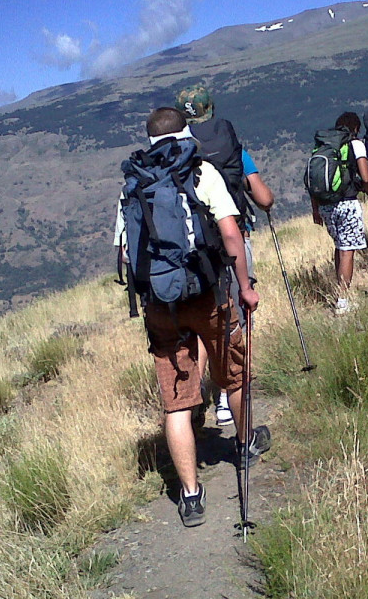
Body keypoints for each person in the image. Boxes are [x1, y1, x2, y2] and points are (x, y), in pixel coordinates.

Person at [114, 107, 268, 527]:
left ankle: (191, 494)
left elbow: (127, 254)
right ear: (185, 133)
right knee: (232, 375)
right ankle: (245, 442)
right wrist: (245, 286)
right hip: (208, 293)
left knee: (176, 402)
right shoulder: (199, 171)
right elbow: (231, 232)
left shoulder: (134, 182)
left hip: (161, 304)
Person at [175, 84, 274, 425]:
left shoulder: (174, 159)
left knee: (203, 327)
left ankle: (192, 402)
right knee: (234, 322)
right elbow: (263, 198)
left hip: (191, 256)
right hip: (233, 245)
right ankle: (226, 396)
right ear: (211, 110)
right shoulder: (233, 149)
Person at [311, 111, 368, 315]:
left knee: (339, 246)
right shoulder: (355, 144)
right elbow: (366, 177)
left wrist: (315, 209)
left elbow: (314, 180)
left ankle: (339, 293)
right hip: (347, 202)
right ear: (355, 128)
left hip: (326, 205)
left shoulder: (323, 145)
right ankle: (343, 300)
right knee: (348, 250)